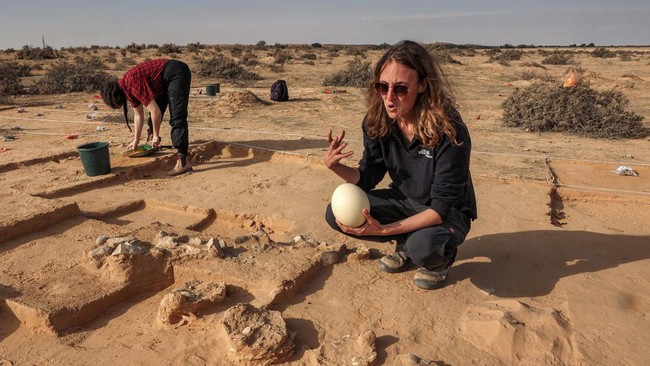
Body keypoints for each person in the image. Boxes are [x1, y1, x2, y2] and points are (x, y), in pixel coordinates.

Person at [324, 40, 477, 290]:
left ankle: (440, 258)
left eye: (401, 89)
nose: (389, 97)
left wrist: (383, 230)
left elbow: (441, 206)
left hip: (448, 211)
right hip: (405, 199)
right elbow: (369, 176)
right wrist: (335, 167)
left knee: (423, 247)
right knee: (335, 214)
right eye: (382, 87)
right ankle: (406, 242)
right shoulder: (377, 121)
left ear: (422, 86)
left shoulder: (450, 131)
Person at [100, 59, 193, 176]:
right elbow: (138, 115)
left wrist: (156, 134)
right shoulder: (126, 87)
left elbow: (156, 111)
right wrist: (136, 140)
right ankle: (152, 139)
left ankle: (183, 161)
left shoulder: (132, 84)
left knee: (177, 117)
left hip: (177, 73)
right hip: (164, 79)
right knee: (154, 113)